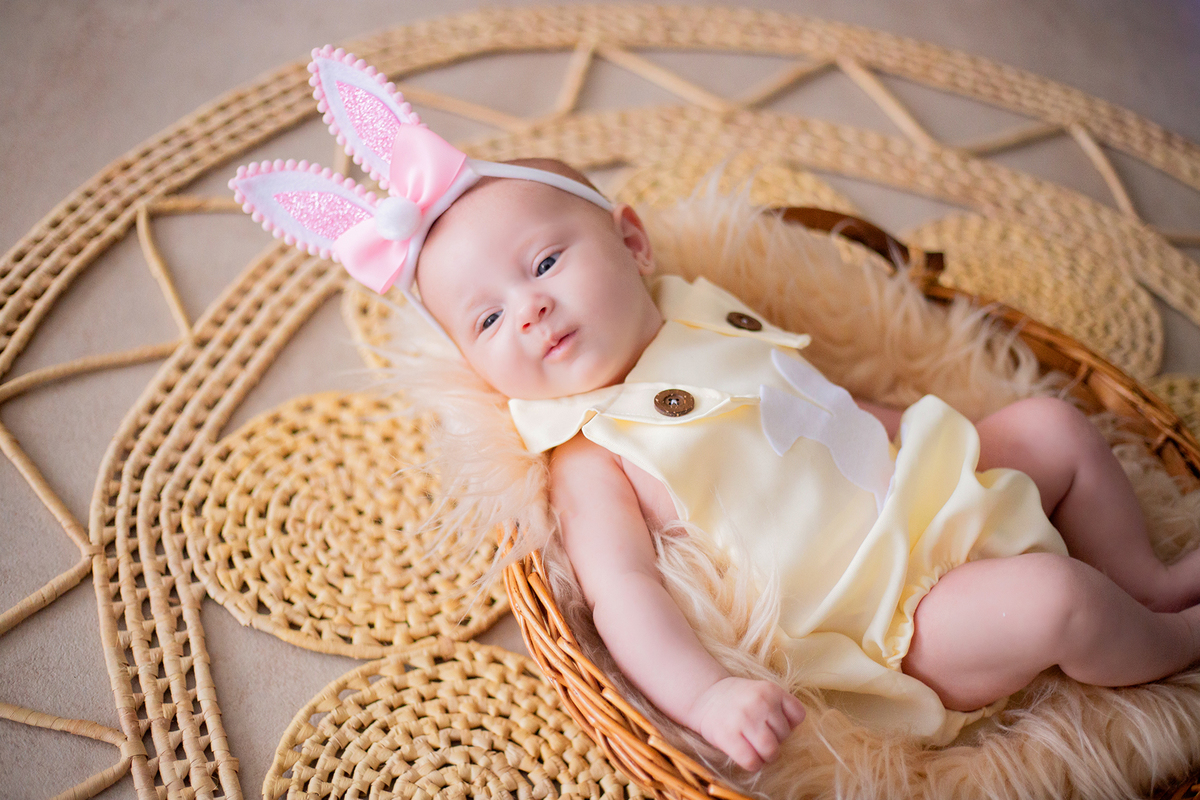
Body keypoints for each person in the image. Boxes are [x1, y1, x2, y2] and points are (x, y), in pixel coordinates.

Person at [231, 48, 1200, 774]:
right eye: (487, 318)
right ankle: (1170, 647)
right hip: (893, 618)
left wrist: (923, 433)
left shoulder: (699, 307)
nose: (528, 309)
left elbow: (815, 398)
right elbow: (626, 594)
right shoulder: (587, 453)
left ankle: (1148, 581)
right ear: (478, 365)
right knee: (1056, 601)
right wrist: (710, 694)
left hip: (929, 487)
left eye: (546, 261)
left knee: (1053, 426)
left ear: (633, 244)